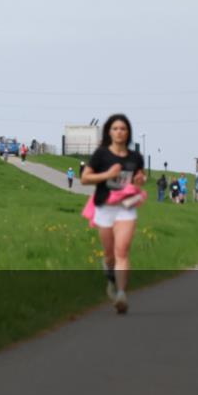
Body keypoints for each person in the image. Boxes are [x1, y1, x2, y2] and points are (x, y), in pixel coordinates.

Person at [80, 114, 146, 314]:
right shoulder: (101, 155)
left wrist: (139, 181)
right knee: (110, 255)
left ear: (128, 133)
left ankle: (121, 295)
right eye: (115, 128)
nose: (119, 132)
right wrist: (108, 175)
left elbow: (136, 181)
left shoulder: (135, 157)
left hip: (126, 208)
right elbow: (85, 178)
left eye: (123, 129)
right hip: (104, 208)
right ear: (109, 132)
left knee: (122, 251)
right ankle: (110, 276)